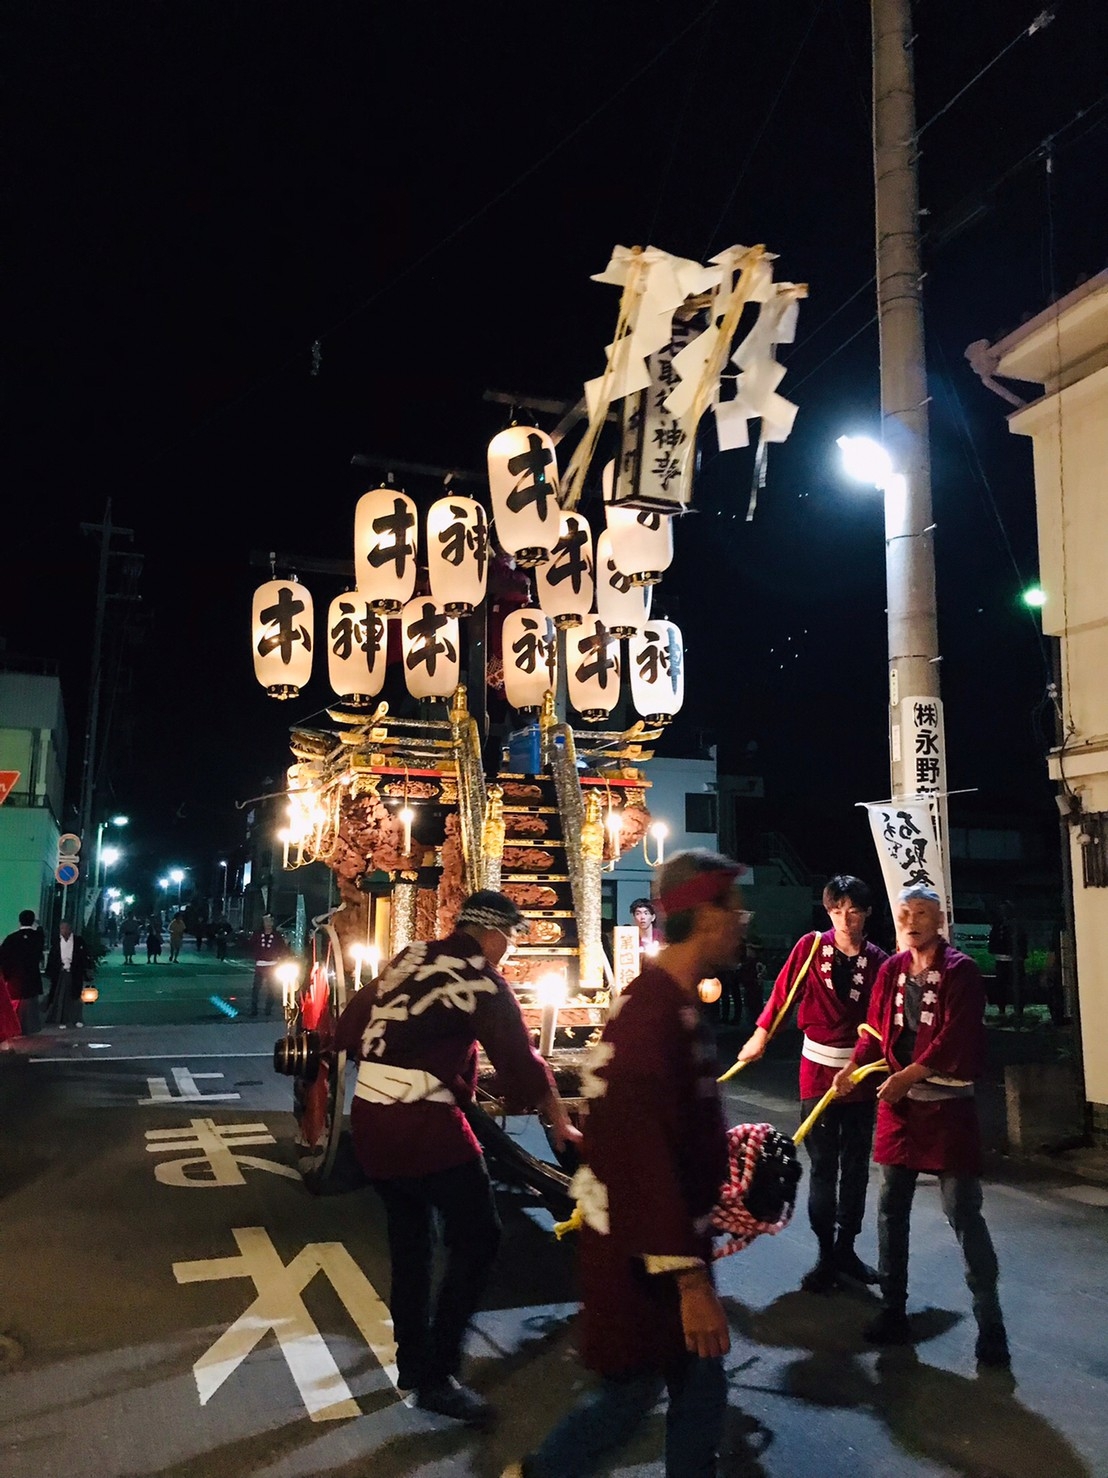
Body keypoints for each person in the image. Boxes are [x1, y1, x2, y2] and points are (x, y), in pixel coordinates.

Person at [504, 849, 745, 1478]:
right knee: (629, 1397)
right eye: (733, 907)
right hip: (646, 1255)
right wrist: (690, 1282)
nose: (742, 920)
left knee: (692, 1388)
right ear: (704, 914)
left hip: (655, 1243)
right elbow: (643, 1158)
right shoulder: (651, 1015)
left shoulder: (666, 1001)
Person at [334, 889, 581, 1428]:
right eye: (510, 940)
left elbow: (349, 1028)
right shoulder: (481, 979)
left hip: (371, 1120)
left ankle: (413, 1363)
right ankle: (438, 1374)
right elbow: (521, 1063)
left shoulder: (412, 956)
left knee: (411, 1244)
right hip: (422, 1127)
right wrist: (557, 1118)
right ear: (493, 934)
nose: (508, 951)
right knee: (479, 1236)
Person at [833, 885, 1009, 1367]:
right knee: (891, 1209)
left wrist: (907, 1075)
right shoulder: (891, 970)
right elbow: (874, 1032)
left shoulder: (960, 971)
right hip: (900, 1108)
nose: (912, 921)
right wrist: (853, 1068)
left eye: (923, 913)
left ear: (940, 920)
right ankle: (893, 1310)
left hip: (947, 1107)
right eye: (905, 913)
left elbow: (957, 1035)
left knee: (962, 1211)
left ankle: (991, 1324)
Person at [736, 875, 889, 1293]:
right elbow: (783, 993)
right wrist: (761, 1035)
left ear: (867, 913)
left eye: (853, 911)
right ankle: (825, 1255)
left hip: (859, 1074)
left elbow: (879, 1021)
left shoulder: (879, 961)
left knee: (855, 1166)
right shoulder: (811, 947)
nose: (845, 920)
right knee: (823, 1165)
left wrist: (859, 1065)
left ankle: (846, 1249)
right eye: (836, 911)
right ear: (827, 911)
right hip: (817, 1071)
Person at [0, 909, 46, 1036]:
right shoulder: (38, 938)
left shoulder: (11, 939)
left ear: (19, 921)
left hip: (15, 979)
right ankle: (30, 1029)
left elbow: (3, 958)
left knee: (15, 1007)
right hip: (32, 978)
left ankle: (15, 1029)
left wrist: (6, 975)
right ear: (33, 921)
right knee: (31, 1007)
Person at [45, 920, 95, 1029]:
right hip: (61, 972)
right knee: (61, 997)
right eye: (61, 928)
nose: (63, 931)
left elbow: (85, 955)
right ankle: (62, 1020)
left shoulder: (78, 941)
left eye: (65, 928)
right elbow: (53, 957)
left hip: (75, 972)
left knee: (76, 996)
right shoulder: (57, 941)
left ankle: (77, 1019)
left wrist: (87, 969)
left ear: (70, 929)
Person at [988, 902, 1027, 1020]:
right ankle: (1003, 1010)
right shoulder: (999, 925)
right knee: (1002, 986)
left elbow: (1022, 941)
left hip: (1015, 960)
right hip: (1002, 959)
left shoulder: (1014, 925)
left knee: (1016, 987)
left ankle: (1017, 1010)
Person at [248, 914, 289, 1017]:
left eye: (270, 921)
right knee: (256, 988)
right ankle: (254, 1010)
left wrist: (282, 955)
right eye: (266, 921)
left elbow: (282, 948)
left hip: (272, 965)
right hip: (260, 965)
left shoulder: (277, 936)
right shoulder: (257, 934)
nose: (268, 923)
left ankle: (268, 1010)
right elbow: (250, 945)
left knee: (271, 989)